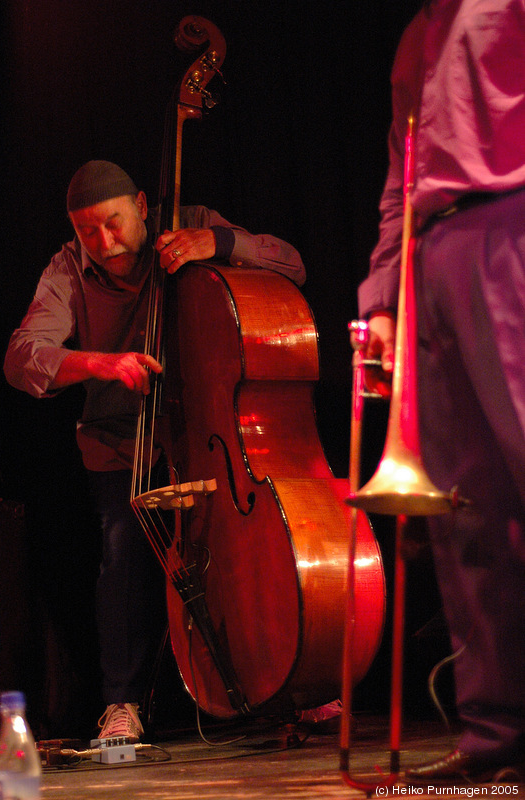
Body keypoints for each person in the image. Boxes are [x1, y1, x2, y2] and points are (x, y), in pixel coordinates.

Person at [3, 160, 306, 742]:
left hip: (209, 427)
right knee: (123, 554)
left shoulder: (190, 225)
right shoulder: (68, 266)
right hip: (123, 435)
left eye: (112, 223)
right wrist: (98, 363)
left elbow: (292, 264)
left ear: (142, 204)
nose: (103, 241)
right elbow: (22, 355)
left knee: (251, 549)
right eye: (87, 230)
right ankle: (123, 705)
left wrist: (218, 243)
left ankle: (290, 680)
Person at [358, 0, 525, 783]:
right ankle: (495, 738)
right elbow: (402, 172)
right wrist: (382, 294)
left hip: (510, 223)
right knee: (465, 513)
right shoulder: (416, 36)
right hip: (434, 253)